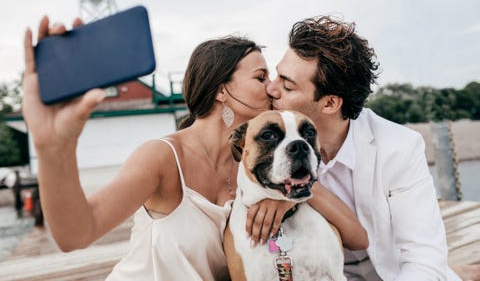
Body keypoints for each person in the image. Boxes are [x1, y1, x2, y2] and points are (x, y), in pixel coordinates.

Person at [22, 16, 367, 280]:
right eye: (261, 78)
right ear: (221, 91)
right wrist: (54, 149)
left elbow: (356, 236)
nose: (274, 90)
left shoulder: (257, 170)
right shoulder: (162, 157)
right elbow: (76, 233)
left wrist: (296, 193)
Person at [265, 15, 477, 280]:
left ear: (330, 104)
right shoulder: (265, 144)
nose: (271, 89)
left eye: (286, 85)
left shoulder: (400, 148)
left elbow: (424, 260)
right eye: (275, 76)